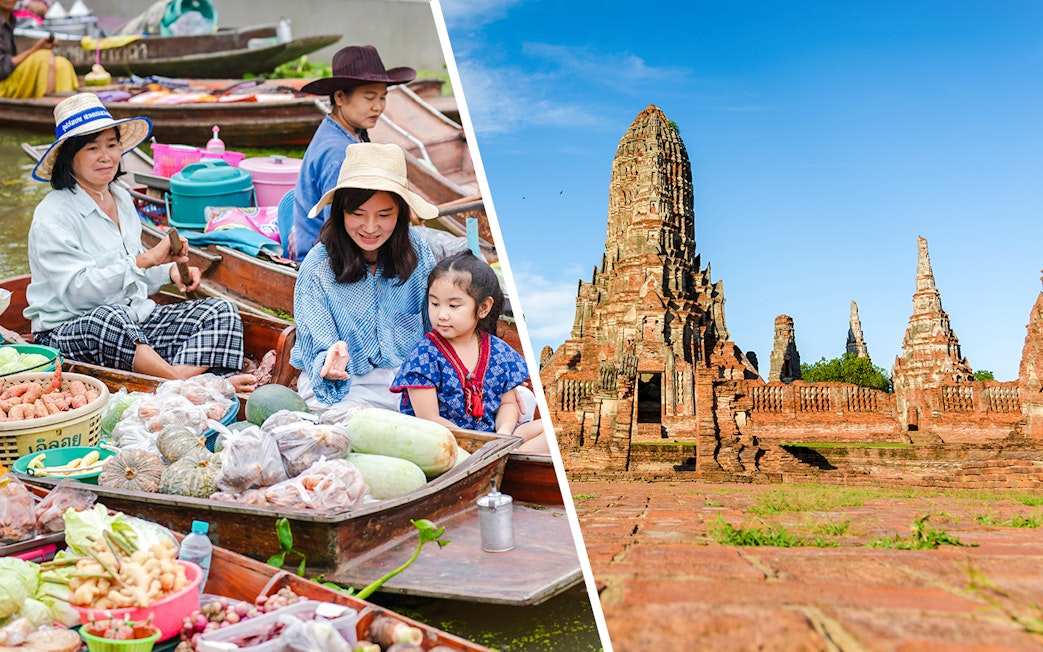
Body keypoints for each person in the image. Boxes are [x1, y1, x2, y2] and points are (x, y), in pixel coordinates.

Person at [25, 93, 257, 393]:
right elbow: (79, 294)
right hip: (71, 329)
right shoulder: (52, 216)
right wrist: (147, 260)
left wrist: (168, 273)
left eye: (112, 145)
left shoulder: (121, 197)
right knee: (110, 318)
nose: (106, 156)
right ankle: (186, 386)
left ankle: (174, 380)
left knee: (220, 311)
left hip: (133, 323)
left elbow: (133, 279)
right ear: (69, 156)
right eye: (92, 148)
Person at [290, 142, 438, 411]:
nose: (370, 228)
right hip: (345, 386)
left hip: (408, 380)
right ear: (341, 212)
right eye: (358, 214)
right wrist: (330, 362)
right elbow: (320, 348)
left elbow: (434, 323)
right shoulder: (318, 267)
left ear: (401, 213)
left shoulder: (417, 249)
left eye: (384, 215)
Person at [391, 252, 549, 453]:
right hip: (446, 443)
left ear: (483, 308)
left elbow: (508, 404)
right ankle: (507, 459)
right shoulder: (424, 356)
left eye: (453, 306)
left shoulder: (498, 352)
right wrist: (474, 445)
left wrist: (504, 432)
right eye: (435, 303)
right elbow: (429, 419)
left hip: (493, 438)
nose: (442, 314)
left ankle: (506, 456)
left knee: (551, 430)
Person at [290, 44, 416, 262]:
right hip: (323, 257)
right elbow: (337, 231)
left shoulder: (349, 131)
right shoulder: (338, 153)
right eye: (369, 98)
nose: (378, 107)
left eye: (382, 97)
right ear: (339, 97)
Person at [0, 0, 77, 98]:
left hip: (11, 79)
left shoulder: (11, 20)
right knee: (43, 57)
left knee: (62, 64)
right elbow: (2, 69)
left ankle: (66, 108)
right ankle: (45, 106)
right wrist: (37, 48)